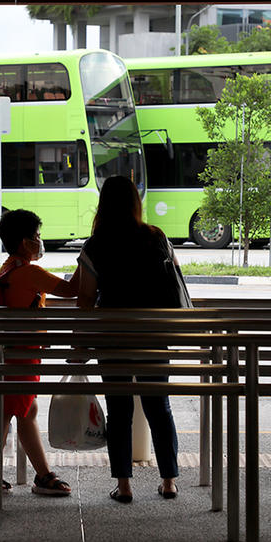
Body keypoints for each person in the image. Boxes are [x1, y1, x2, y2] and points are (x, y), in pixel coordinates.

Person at [76, 176, 180, 503]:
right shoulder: (156, 237)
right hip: (152, 335)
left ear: (102, 204)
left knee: (119, 410)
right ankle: (168, 482)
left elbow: (85, 300)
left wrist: (79, 345)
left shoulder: (95, 245)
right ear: (136, 202)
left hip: (113, 337)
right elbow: (176, 278)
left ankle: (123, 486)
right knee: (158, 407)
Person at [0, 209, 78, 497]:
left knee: (23, 411)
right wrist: (85, 261)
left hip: (10, 353)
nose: (39, 241)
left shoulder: (7, 269)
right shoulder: (30, 273)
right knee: (9, 414)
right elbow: (72, 289)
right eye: (36, 236)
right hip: (21, 356)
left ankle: (34, 475)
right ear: (25, 242)